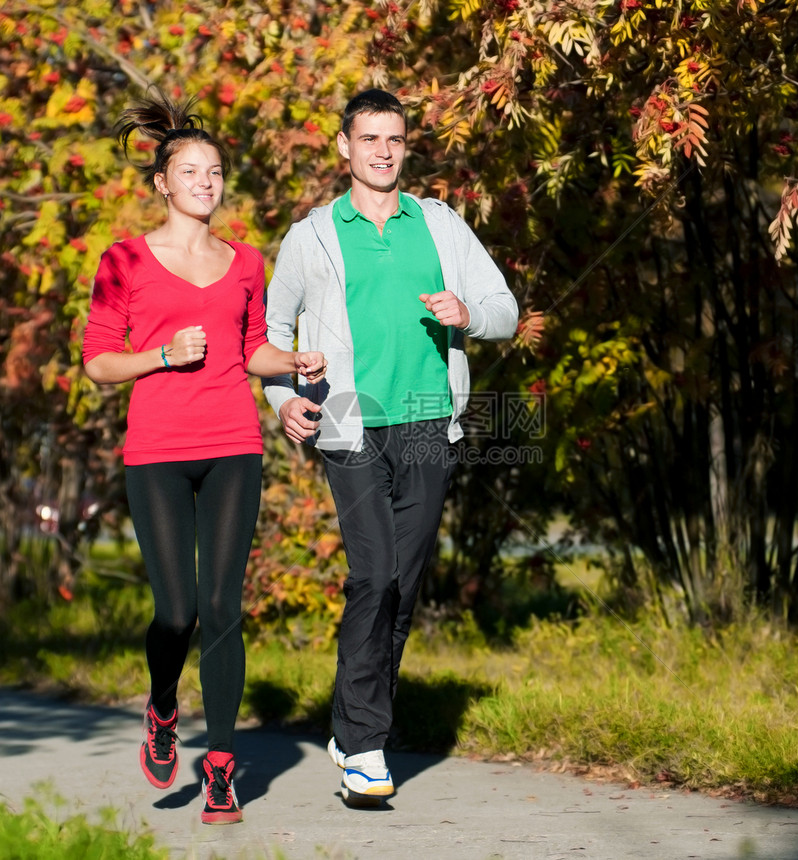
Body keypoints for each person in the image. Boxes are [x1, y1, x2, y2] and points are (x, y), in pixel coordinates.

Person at [263, 88, 518, 803]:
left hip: (428, 417)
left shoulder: (438, 226)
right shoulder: (311, 236)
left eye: (394, 140)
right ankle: (368, 745)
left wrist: (468, 314)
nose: (382, 151)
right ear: (343, 147)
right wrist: (285, 401)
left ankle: (351, 727)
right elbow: (272, 336)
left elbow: (504, 310)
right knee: (374, 575)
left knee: (400, 586)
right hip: (345, 416)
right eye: (369, 138)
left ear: (406, 148)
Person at [82, 89, 326, 825]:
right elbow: (98, 363)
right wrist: (160, 354)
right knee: (177, 611)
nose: (206, 184)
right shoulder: (123, 259)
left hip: (232, 444)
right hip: (155, 450)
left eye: (215, 172)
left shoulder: (247, 260)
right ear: (162, 182)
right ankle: (162, 705)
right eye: (192, 173)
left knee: (222, 607)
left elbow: (253, 351)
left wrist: (297, 359)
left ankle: (220, 767)